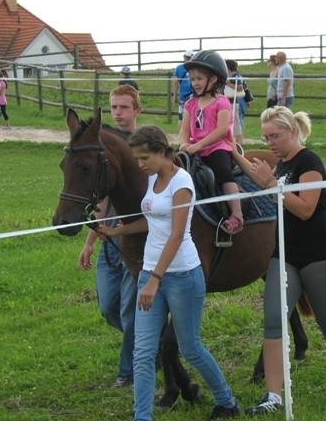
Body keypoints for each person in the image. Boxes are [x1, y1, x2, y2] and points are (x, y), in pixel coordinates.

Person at [96, 125, 240, 421]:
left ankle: (226, 401)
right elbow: (153, 221)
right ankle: (142, 417)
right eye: (136, 159)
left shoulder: (182, 182)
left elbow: (176, 233)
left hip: (181, 275)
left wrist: (155, 281)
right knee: (143, 351)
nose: (140, 165)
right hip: (152, 272)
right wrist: (117, 229)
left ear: (162, 152)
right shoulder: (151, 179)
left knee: (191, 348)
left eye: (144, 158)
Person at [231, 106, 326, 414]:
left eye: (276, 136)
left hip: (319, 253)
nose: (270, 142)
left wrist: (271, 184)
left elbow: (305, 208)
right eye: (266, 136)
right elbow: (261, 177)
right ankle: (273, 396)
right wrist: (233, 152)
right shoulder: (282, 164)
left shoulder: (309, 161)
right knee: (273, 321)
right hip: (284, 254)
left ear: (294, 132)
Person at [78, 84, 142, 389]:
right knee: (108, 308)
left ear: (136, 110)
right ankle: (150, 338)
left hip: (133, 242)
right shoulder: (103, 145)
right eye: (114, 107)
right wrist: (89, 243)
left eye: (124, 107)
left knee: (130, 311)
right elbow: (101, 198)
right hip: (108, 240)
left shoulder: (144, 146)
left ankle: (127, 371)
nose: (118, 113)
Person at [179, 50, 243, 235]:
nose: (195, 83)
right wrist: (184, 143)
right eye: (192, 79)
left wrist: (199, 145)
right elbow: (184, 129)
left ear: (214, 79)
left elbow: (222, 130)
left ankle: (236, 214)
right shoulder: (190, 104)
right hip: (193, 148)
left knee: (223, 172)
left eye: (199, 78)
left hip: (216, 147)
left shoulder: (221, 102)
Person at [225, 59, 246, 144]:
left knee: (236, 121)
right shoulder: (229, 75)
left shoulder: (235, 76)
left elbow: (240, 87)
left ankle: (239, 141)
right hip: (228, 101)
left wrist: (228, 84)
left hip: (233, 102)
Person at [172, 50, 195, 125]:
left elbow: (175, 83)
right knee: (192, 117)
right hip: (194, 96)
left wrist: (174, 95)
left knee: (180, 118)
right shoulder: (195, 67)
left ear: (184, 57)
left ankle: (179, 135)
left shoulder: (179, 68)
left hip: (183, 96)